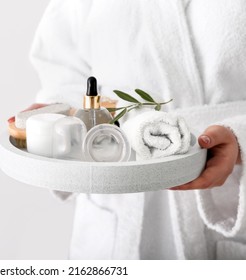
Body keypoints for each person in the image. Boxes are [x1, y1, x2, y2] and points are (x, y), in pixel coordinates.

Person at [26, 0, 246, 259]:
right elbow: (66, 79)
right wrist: (57, 119)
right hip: (117, 210)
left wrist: (240, 137)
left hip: (228, 198)